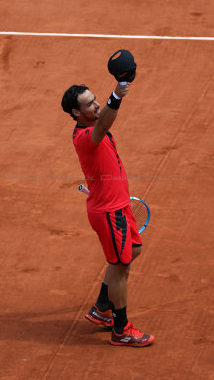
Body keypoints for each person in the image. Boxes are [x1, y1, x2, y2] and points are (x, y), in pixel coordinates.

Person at [61, 81, 155, 347]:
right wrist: (117, 96)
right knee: (120, 267)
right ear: (77, 113)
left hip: (121, 206)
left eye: (96, 99)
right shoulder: (85, 136)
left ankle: (102, 306)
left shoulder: (93, 128)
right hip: (109, 213)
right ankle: (121, 329)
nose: (97, 104)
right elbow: (104, 125)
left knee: (132, 252)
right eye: (89, 103)